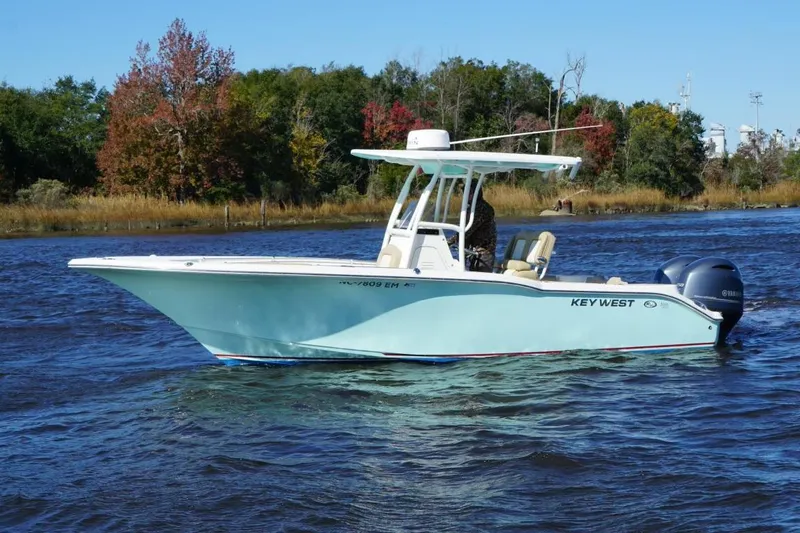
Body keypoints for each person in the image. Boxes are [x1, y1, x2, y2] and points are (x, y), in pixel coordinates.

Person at [447, 185, 497, 272]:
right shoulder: (471, 209)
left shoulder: (482, 208)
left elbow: (467, 230)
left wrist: (449, 241)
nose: (466, 196)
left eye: (470, 193)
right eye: (465, 193)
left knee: (481, 282)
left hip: (484, 254)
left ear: (477, 193)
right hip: (475, 253)